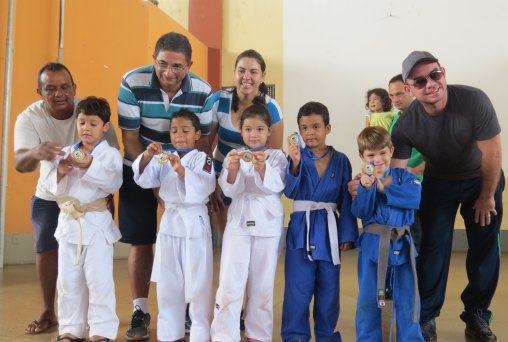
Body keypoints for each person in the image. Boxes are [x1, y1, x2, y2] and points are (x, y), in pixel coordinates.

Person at [391, 51, 504, 342]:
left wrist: (486, 196)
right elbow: (396, 174)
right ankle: (427, 317)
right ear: (409, 89)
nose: (430, 83)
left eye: (434, 74)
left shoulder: (473, 100)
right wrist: (368, 184)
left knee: (483, 246)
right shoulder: (405, 126)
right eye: (420, 80)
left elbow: (492, 152)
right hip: (439, 182)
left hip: (482, 178)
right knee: (432, 248)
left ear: (444, 72)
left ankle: (477, 314)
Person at [117, 32, 212, 340]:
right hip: (142, 164)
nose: (169, 72)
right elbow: (130, 138)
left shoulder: (203, 90)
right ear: (153, 59)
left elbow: (206, 138)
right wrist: (156, 182)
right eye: (162, 64)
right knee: (140, 240)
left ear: (190, 65)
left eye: (178, 66)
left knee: (189, 254)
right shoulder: (132, 82)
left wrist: (182, 175)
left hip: (183, 174)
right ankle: (140, 309)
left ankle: (189, 310)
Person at [13, 63, 118, 335]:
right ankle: (56, 316)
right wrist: (42, 156)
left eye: (65, 87)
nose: (59, 93)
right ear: (40, 92)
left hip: (94, 205)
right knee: (61, 268)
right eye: (51, 89)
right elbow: (21, 164)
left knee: (98, 277)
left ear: (74, 88)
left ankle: (100, 328)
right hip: (56, 201)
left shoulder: (91, 111)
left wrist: (107, 199)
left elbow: (113, 170)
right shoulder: (30, 119)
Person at [131, 109, 215, 342]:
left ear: (197, 134)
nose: (178, 135)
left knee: (199, 284)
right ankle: (170, 334)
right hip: (170, 223)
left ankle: (200, 334)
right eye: (174, 130)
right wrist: (147, 156)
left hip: (194, 223)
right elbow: (143, 178)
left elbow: (206, 185)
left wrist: (180, 170)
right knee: (168, 285)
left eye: (185, 130)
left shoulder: (202, 158)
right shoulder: (163, 157)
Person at [45, 97, 122, 342]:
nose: (86, 128)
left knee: (99, 282)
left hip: (97, 225)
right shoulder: (66, 153)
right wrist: (60, 170)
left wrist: (90, 164)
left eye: (93, 123)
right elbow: (49, 188)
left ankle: (101, 330)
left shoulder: (109, 155)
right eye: (82, 123)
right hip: (69, 225)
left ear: (105, 127)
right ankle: (70, 329)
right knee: (68, 281)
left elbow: (113, 183)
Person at [281, 102, 358, 342]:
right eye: (304, 128)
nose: (310, 133)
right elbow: (290, 192)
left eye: (316, 126)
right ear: (299, 131)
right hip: (300, 228)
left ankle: (327, 335)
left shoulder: (341, 160)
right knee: (298, 288)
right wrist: (293, 164)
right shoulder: (295, 157)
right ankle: (295, 336)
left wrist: (347, 233)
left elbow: (346, 199)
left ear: (328, 128)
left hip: (329, 229)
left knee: (329, 289)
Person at [210, 105, 287, 342]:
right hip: (239, 223)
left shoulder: (276, 156)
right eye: (248, 129)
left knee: (262, 285)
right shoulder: (235, 156)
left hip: (268, 223)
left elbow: (277, 186)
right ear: (240, 131)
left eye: (260, 129)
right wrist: (232, 171)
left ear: (269, 131)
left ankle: (259, 334)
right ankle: (224, 335)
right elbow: (229, 189)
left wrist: (262, 168)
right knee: (230, 282)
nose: (254, 134)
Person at [351, 126, 423, 342]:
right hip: (373, 247)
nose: (378, 159)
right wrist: (366, 189)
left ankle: (410, 339)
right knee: (367, 300)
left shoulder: (406, 177)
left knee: (408, 300)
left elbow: (415, 198)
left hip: (403, 247)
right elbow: (360, 211)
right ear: (362, 157)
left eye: (382, 152)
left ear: (391, 151)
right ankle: (367, 339)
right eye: (371, 155)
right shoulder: (363, 181)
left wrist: (384, 190)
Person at [206, 49, 284, 233]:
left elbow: (275, 156)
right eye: (241, 70)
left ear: (262, 76)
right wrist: (212, 183)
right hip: (223, 177)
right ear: (234, 73)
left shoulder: (271, 108)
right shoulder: (218, 100)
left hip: (255, 182)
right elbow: (205, 147)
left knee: (254, 238)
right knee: (230, 238)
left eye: (253, 72)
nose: (246, 77)